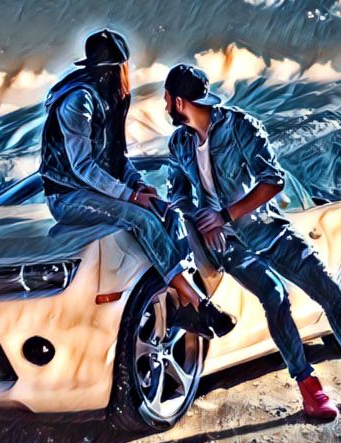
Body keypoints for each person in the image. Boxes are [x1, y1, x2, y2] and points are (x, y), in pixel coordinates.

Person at [163, 64, 341, 419]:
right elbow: (178, 195)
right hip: (228, 246)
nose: (165, 105)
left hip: (268, 230)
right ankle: (309, 387)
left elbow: (273, 180)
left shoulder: (239, 126)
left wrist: (224, 214)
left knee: (328, 289)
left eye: (167, 99)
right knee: (274, 296)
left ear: (179, 102)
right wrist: (199, 218)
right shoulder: (179, 143)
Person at [39, 30, 235, 339]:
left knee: (169, 214)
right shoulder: (78, 101)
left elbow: (117, 158)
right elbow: (82, 166)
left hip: (98, 193)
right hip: (68, 197)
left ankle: (181, 303)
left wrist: (140, 186)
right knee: (141, 219)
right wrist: (130, 196)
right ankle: (198, 302)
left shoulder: (109, 99)